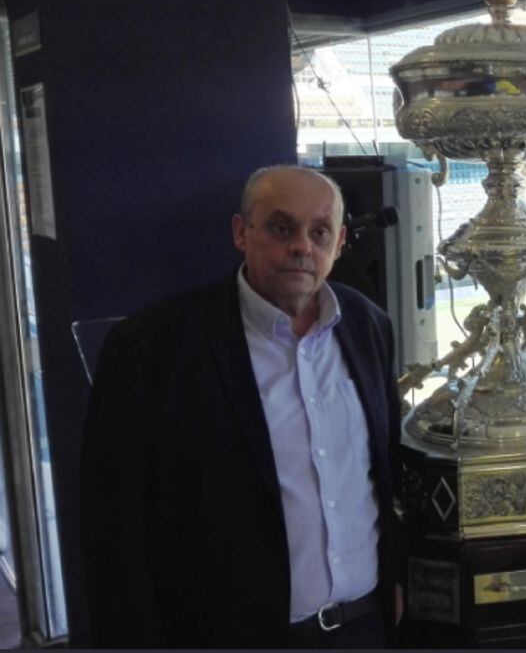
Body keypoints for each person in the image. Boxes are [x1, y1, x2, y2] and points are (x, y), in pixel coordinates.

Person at [80, 165, 402, 648]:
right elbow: (114, 525)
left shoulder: (368, 325)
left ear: (338, 245)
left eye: (319, 232)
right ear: (241, 232)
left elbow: (382, 473)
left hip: (362, 628)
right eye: (281, 227)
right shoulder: (153, 348)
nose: (301, 246)